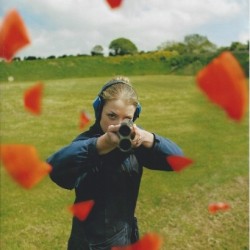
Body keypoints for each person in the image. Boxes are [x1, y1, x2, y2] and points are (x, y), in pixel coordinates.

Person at [47, 76, 183, 250]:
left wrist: (147, 137)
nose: (118, 125)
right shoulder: (88, 142)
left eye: (127, 119)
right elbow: (55, 168)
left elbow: (177, 159)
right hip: (90, 244)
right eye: (112, 116)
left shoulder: (133, 143)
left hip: (126, 238)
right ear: (99, 112)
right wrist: (101, 145)